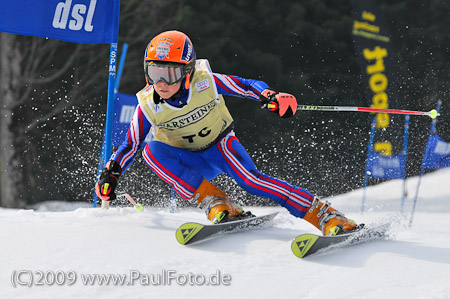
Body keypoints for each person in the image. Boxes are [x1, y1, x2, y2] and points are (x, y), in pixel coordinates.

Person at [95, 30, 358, 236]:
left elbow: (245, 85)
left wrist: (270, 96)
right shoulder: (147, 104)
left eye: (171, 74)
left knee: (252, 182)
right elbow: (130, 145)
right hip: (188, 160)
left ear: (187, 71)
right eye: (155, 73)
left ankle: (325, 215)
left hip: (221, 147)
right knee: (152, 152)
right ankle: (216, 201)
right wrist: (111, 173)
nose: (162, 83)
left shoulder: (204, 81)